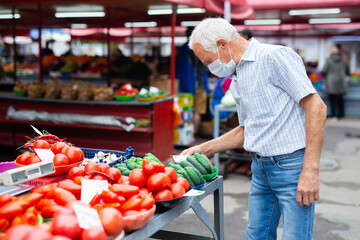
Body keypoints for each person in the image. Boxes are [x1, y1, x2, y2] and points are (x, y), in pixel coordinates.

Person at [181, 18, 327, 239]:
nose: (209, 68)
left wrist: (310, 170)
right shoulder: (237, 74)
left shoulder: (274, 57)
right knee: (256, 235)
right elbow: (246, 129)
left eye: (208, 60)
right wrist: (203, 149)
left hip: (291, 167)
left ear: (223, 44)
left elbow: (316, 107)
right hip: (260, 168)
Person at [176, 27, 210, 136]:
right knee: (197, 112)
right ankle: (193, 135)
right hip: (198, 85)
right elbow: (204, 65)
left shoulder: (181, 49)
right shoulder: (197, 49)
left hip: (182, 87)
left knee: (185, 111)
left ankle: (185, 133)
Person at [321, 45, 349, 120]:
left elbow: (324, 71)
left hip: (331, 82)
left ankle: (334, 115)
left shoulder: (329, 60)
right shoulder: (342, 60)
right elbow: (347, 70)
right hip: (341, 81)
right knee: (340, 99)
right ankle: (341, 115)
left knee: (332, 99)